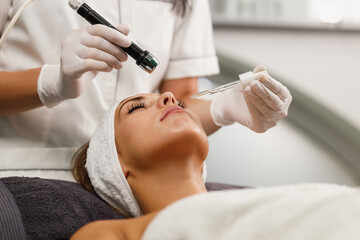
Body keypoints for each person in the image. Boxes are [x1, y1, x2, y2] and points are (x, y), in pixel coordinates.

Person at [0, 0, 291, 180]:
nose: (164, 102)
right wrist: (52, 83)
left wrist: (224, 108)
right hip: (24, 169)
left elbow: (180, 101)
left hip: (132, 183)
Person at [69, 92, 360, 240]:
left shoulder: (275, 201)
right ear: (117, 164)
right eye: (136, 107)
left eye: (179, 102)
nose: (169, 97)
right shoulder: (112, 233)